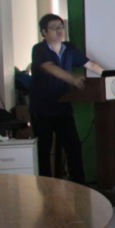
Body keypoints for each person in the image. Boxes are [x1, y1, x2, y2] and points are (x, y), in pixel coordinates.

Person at [29, 14, 105, 184]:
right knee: (44, 150)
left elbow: (90, 64)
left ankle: (79, 185)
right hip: (42, 109)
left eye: (61, 26)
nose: (59, 31)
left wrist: (110, 77)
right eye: (54, 27)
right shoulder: (39, 49)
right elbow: (50, 67)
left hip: (63, 108)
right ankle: (45, 186)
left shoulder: (69, 48)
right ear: (44, 32)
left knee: (74, 146)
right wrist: (73, 79)